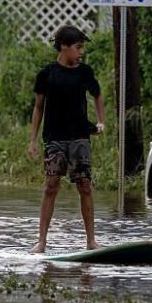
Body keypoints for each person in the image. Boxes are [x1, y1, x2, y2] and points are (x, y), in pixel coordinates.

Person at [28, 25, 105, 253]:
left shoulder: (84, 72)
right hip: (55, 138)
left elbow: (97, 95)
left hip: (80, 137)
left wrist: (101, 122)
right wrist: (32, 139)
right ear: (64, 46)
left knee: (85, 186)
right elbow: (38, 107)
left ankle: (91, 240)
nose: (81, 53)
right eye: (78, 47)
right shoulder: (47, 74)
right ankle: (41, 241)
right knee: (51, 186)